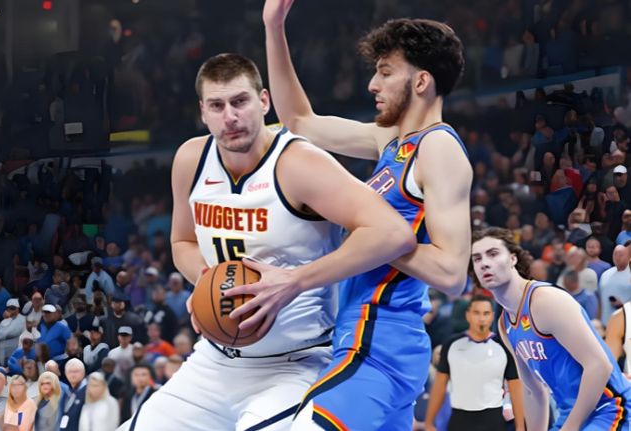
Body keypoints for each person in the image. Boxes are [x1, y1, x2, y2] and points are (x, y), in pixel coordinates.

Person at [126, 51, 417, 431]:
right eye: (217, 105)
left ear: (263, 101)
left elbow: (393, 234)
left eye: (240, 101)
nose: (230, 116)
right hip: (214, 360)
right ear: (203, 112)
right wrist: (207, 282)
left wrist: (293, 281)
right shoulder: (190, 159)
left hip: (296, 362)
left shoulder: (299, 163)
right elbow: (182, 242)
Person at [226, 2, 471, 428]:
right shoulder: (391, 141)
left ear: (421, 81)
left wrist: (375, 234)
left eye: (386, 72)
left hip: (380, 342)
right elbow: (299, 121)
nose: (373, 83)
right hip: (357, 337)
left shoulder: (439, 147)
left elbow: (451, 273)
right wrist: (274, 26)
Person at [471, 227, 631, 430]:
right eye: (477, 258)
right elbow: (532, 390)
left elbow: (599, 366)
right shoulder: (505, 323)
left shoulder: (545, 300)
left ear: (512, 259)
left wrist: (569, 428)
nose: (484, 263)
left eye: (493, 254)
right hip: (570, 413)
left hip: (611, 407)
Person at [425, 296, 524, 431]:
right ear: (468, 315)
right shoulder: (451, 345)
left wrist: (520, 426)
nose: (481, 318)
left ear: (492, 316)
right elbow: (439, 386)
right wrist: (429, 422)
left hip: (493, 419)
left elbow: (515, 388)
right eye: (476, 313)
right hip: (460, 419)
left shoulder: (504, 347)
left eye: (486, 313)